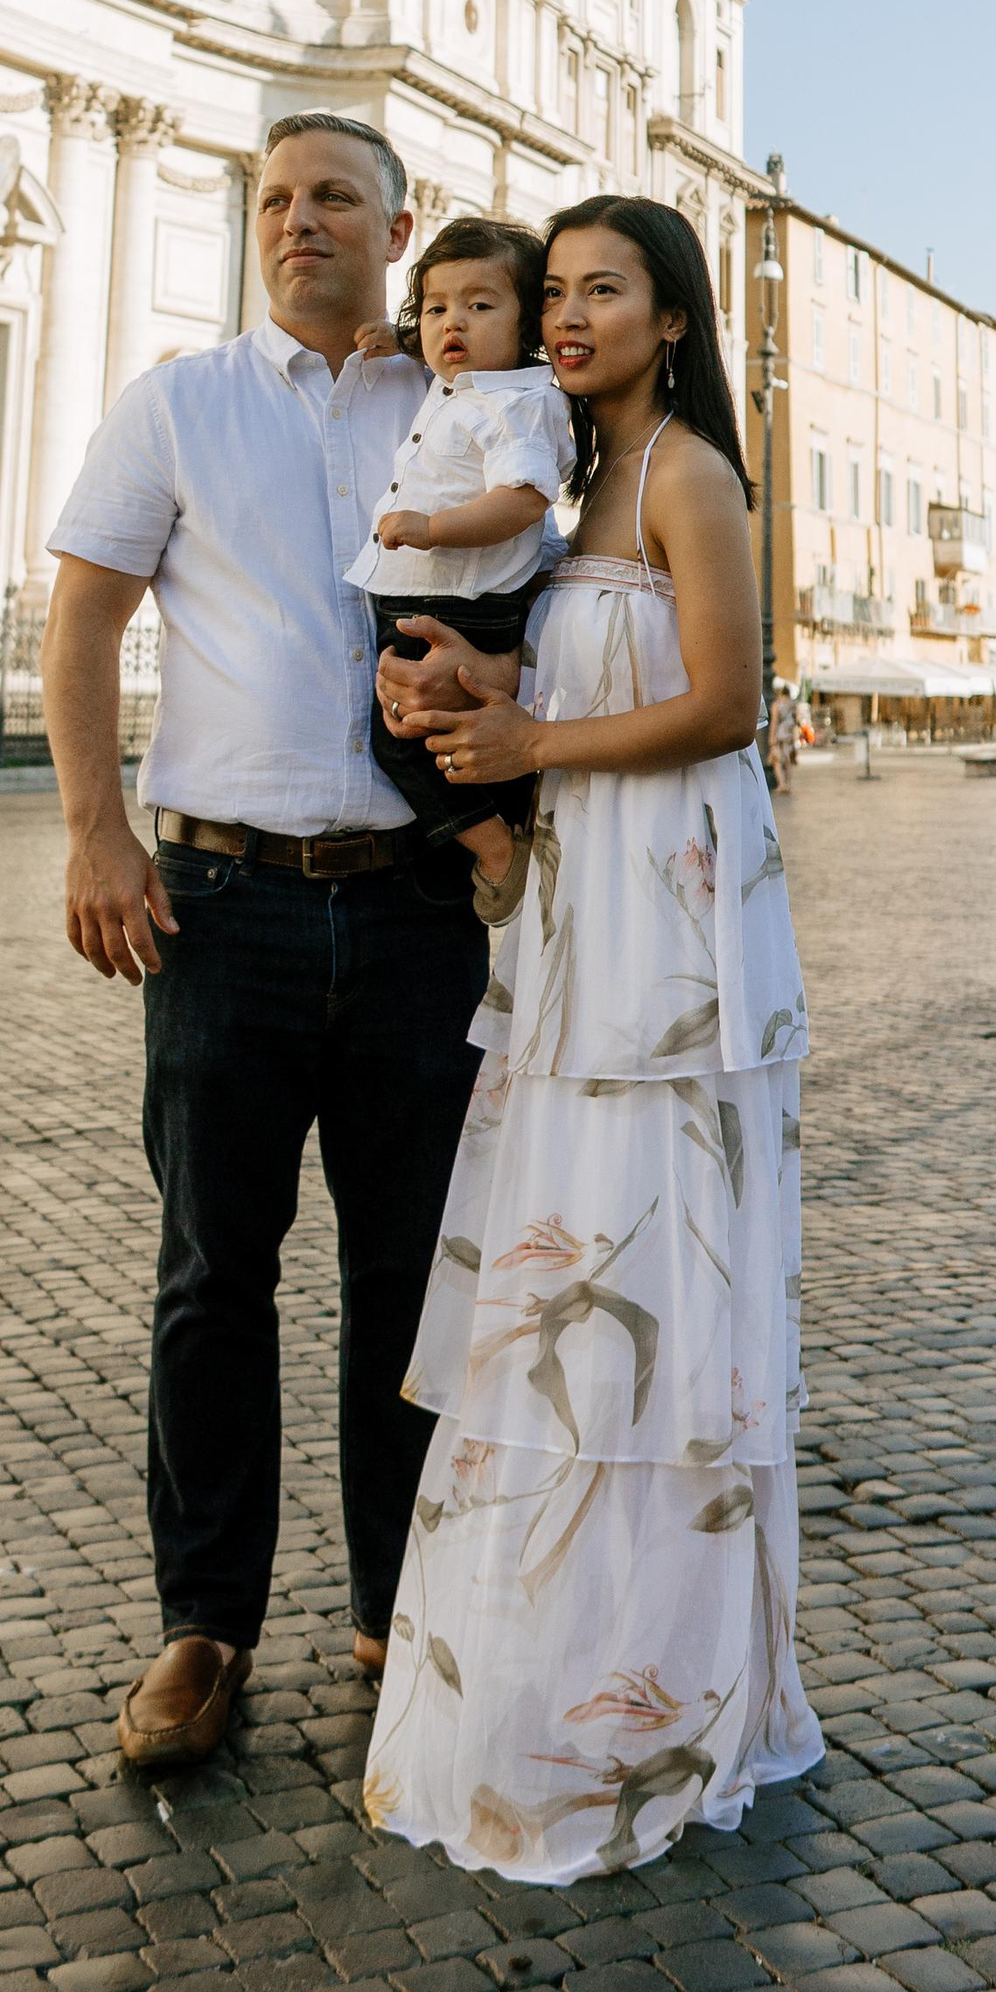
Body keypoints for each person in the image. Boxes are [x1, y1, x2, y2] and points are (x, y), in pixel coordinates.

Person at [41, 114, 514, 1775]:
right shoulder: (178, 400)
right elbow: (84, 616)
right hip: (218, 901)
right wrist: (98, 829)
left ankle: (399, 1602)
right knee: (209, 1280)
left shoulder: (459, 397)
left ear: (398, 229)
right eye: (273, 199)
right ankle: (204, 1624)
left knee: (411, 1285)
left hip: (411, 904)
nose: (297, 222)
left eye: (333, 199)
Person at [361, 194, 823, 1882]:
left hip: (677, 920)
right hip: (576, 912)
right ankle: (548, 1662)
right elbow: (553, 709)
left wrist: (538, 727)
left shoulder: (692, 474)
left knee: (654, 1274)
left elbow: (724, 701)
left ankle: (661, 1692)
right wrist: (470, 718)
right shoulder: (556, 497)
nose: (565, 314)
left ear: (672, 316)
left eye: (600, 289)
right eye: (552, 290)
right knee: (561, 1305)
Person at [346, 217, 574, 920]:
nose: (455, 323)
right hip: (433, 593)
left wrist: (431, 528)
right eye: (438, 306)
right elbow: (446, 353)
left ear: (528, 321)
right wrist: (404, 341)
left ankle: (499, 851)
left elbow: (522, 499)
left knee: (407, 741)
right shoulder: (468, 386)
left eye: (480, 306)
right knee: (427, 730)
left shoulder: (518, 404)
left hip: (461, 600)